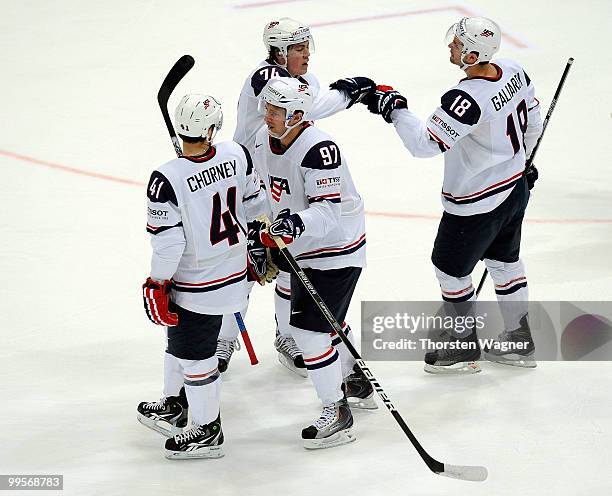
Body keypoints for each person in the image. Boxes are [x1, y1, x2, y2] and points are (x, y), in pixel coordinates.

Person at [364, 17, 543, 374]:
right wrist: (523, 160)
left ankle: (462, 346)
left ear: (474, 53)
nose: (451, 47)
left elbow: (424, 144)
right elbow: (533, 119)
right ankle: (519, 338)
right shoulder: (514, 70)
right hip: (514, 189)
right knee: (505, 262)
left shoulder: (466, 99)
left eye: (458, 44)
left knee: (450, 270)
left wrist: (394, 108)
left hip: (477, 202)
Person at [217, 16, 375, 377]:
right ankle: (223, 339)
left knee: (290, 263)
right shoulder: (268, 79)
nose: (307, 55)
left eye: (308, 47)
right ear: (278, 51)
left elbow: (308, 107)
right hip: (255, 184)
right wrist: (348, 93)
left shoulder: (301, 82)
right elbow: (313, 108)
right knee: (246, 268)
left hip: (287, 182)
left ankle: (289, 336)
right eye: (299, 49)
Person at [138, 94, 269, 459]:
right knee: (180, 345)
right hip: (236, 275)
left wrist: (157, 282)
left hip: (196, 285)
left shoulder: (166, 178)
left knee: (195, 357)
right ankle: (174, 403)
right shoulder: (237, 154)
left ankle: (207, 430)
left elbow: (169, 246)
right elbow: (257, 206)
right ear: (212, 130)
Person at [248, 77, 373, 449]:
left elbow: (328, 212)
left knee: (308, 333)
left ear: (297, 115)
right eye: (267, 107)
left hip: (336, 248)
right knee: (322, 322)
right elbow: (261, 191)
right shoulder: (262, 141)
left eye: (276, 110)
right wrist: (256, 231)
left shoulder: (319, 150)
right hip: (300, 246)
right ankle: (355, 377)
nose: (267, 115)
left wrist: (294, 223)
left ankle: (336, 410)